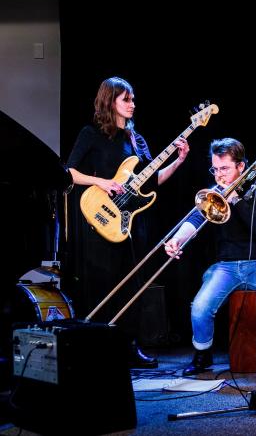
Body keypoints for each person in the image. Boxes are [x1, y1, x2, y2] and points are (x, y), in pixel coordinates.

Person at [65, 76, 189, 368]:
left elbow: (153, 180)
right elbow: (69, 172)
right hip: (100, 218)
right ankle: (98, 346)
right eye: (126, 99)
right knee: (102, 283)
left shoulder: (136, 138)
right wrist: (103, 182)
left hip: (131, 222)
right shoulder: (90, 134)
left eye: (133, 99)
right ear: (110, 102)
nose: (133, 104)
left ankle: (130, 346)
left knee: (132, 286)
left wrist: (178, 161)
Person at [165, 138, 256, 384]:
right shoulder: (212, 195)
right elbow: (193, 221)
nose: (219, 175)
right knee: (200, 307)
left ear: (241, 167)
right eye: (215, 169)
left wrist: (235, 199)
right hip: (225, 266)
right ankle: (203, 354)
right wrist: (176, 240)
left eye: (225, 169)